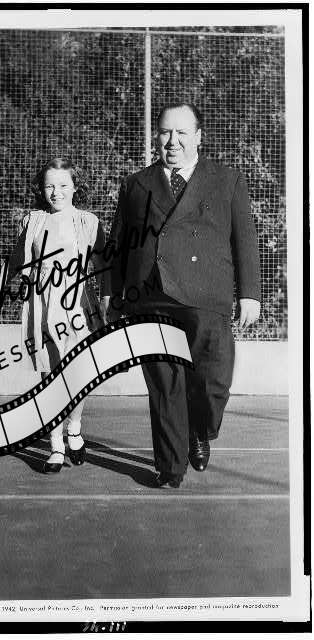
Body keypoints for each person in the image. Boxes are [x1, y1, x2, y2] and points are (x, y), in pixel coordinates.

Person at [107, 102, 261, 488]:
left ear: (198, 137)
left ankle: (199, 429)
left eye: (181, 133)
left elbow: (244, 238)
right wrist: (112, 295)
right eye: (165, 132)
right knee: (164, 384)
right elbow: (118, 245)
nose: (172, 141)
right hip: (150, 295)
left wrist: (250, 294)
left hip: (206, 295)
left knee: (213, 381)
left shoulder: (227, 180)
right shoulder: (135, 185)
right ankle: (171, 465)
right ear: (156, 136)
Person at [8, 158, 110, 473]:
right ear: (42, 189)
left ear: (75, 186)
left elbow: (105, 266)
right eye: (50, 186)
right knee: (50, 375)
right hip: (42, 303)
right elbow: (16, 262)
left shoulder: (89, 222)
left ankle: (74, 430)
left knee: (77, 374)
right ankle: (55, 445)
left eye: (63, 185)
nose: (56, 192)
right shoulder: (33, 221)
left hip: (78, 303)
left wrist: (108, 300)